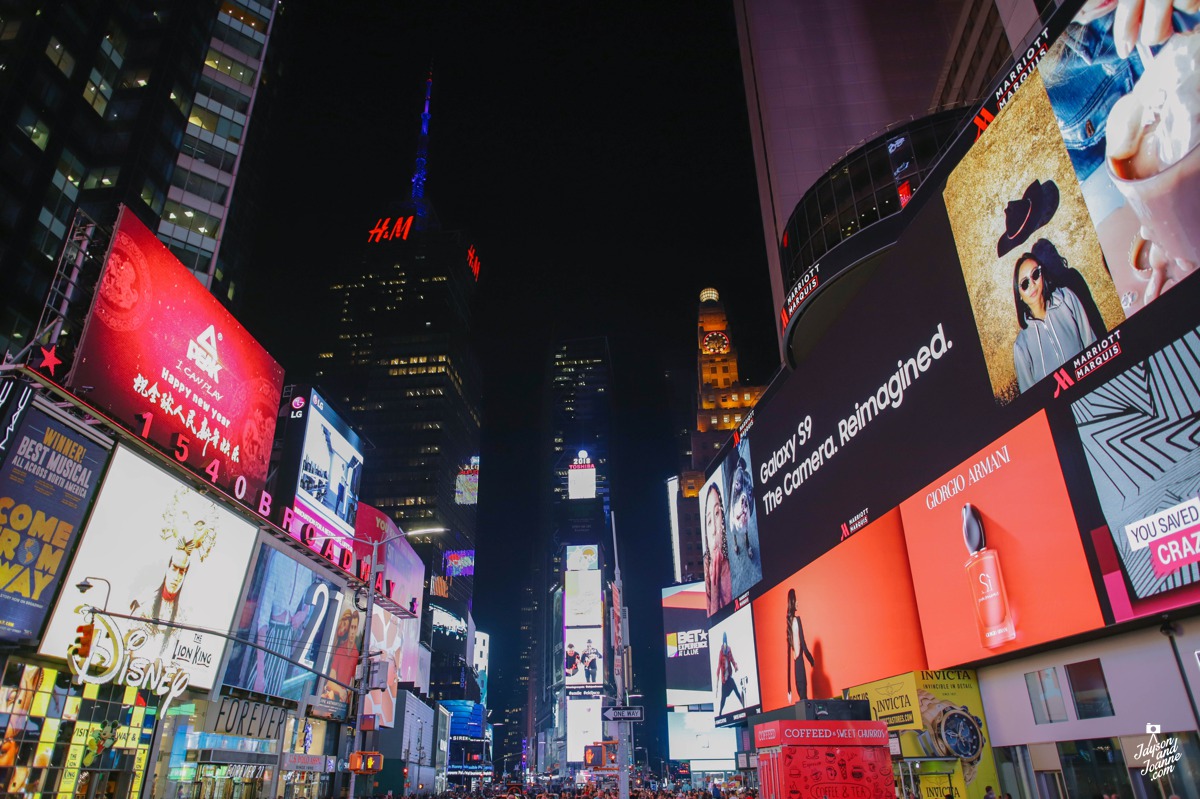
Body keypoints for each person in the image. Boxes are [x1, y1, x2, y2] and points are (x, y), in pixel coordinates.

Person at [1012, 247, 1097, 391]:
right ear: (1019, 294)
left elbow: (1091, 345)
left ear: (1042, 274)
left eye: (1035, 274)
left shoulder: (1067, 299)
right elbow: (1031, 398)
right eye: (1025, 284)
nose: (1032, 284)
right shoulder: (1021, 347)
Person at [702, 483, 733, 615]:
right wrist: (714, 587)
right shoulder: (705, 566)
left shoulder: (734, 558)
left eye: (717, 513)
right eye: (709, 521)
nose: (714, 529)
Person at [785, 589, 815, 703]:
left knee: (802, 699)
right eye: (796, 600)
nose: (798, 602)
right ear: (793, 602)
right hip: (800, 665)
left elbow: (788, 658)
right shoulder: (797, 620)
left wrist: (789, 688)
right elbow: (804, 645)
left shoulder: (789, 623)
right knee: (804, 699)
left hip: (796, 668)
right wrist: (812, 661)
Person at [727, 458, 754, 558]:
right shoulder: (735, 475)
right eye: (739, 465)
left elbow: (751, 491)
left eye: (740, 465)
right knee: (734, 527)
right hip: (736, 507)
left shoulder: (746, 476)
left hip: (744, 506)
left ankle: (748, 546)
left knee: (745, 529)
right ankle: (735, 544)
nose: (739, 466)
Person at [716, 632, 744, 714]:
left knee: (736, 690)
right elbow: (719, 666)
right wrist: (717, 680)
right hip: (724, 681)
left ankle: (743, 706)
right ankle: (720, 713)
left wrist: (735, 666)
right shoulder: (721, 652)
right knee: (723, 699)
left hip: (729, 678)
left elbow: (732, 659)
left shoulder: (729, 650)